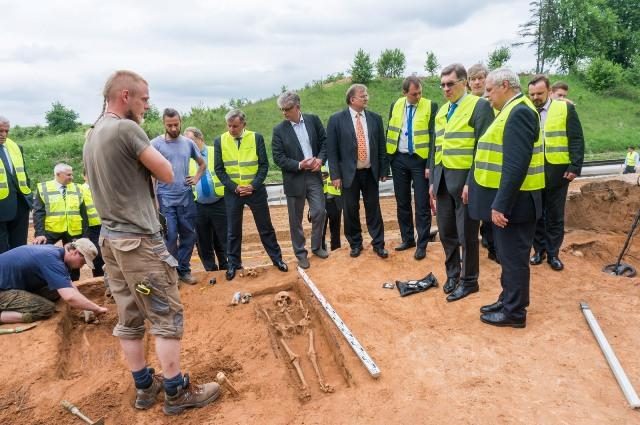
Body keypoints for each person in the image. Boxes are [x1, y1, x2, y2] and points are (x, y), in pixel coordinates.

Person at [84, 70, 220, 415]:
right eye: (144, 99)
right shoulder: (126, 129)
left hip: (111, 242)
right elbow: (167, 172)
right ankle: (176, 392)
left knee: (129, 317)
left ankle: (145, 387)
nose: (147, 106)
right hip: (139, 242)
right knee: (165, 316)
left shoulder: (92, 133)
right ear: (125, 95)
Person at [468, 68, 544, 328]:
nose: (486, 95)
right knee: (508, 257)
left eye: (489, 89)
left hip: (517, 205)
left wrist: (500, 205)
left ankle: (514, 313)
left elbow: (516, 165)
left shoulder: (519, 112)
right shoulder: (510, 111)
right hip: (514, 202)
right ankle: (507, 299)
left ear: (504, 86)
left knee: (514, 259)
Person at [430, 64, 494, 302]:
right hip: (443, 182)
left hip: (466, 183)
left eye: (450, 84)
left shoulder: (479, 107)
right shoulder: (442, 112)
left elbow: (483, 147)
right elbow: (435, 147)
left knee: (467, 234)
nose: (445, 88)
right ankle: (452, 274)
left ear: (464, 83)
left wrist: (472, 182)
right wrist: (433, 181)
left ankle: (469, 281)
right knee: (446, 232)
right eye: (443, 84)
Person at [214, 109, 288, 280]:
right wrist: (235, 187)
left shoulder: (256, 138)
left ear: (244, 125)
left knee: (265, 228)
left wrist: (253, 186)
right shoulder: (220, 141)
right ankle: (233, 264)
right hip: (234, 193)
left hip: (255, 191)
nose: (232, 129)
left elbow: (263, 165)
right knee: (233, 231)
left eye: (235, 126)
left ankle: (277, 259)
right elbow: (219, 169)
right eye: (229, 126)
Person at [528, 74, 585, 271]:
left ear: (549, 91)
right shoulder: (526, 111)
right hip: (534, 171)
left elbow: (576, 138)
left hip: (558, 171)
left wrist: (575, 166)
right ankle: (538, 251)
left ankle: (553, 254)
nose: (536, 97)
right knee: (536, 214)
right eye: (532, 94)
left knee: (555, 215)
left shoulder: (565, 108)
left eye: (540, 93)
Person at [327, 84, 389, 259]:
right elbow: (332, 151)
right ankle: (355, 244)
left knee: (374, 209)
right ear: (352, 99)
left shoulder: (375, 118)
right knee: (350, 210)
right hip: (348, 174)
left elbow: (381, 146)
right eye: (363, 95)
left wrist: (383, 169)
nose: (366, 97)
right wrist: (335, 175)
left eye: (366, 95)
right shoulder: (336, 120)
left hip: (370, 172)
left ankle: (378, 244)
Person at [272, 91, 327, 269]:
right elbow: (278, 157)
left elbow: (325, 142)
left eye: (287, 109)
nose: (284, 113)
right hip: (294, 178)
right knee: (295, 220)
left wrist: (320, 159)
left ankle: (317, 247)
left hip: (314, 176)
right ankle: (301, 254)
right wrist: (298, 165)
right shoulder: (279, 130)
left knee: (319, 211)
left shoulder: (313, 120)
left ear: (297, 107)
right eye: (282, 109)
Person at [151, 109, 206, 285]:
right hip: (165, 198)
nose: (173, 128)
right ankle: (171, 273)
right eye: (169, 125)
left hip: (185, 197)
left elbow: (202, 164)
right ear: (163, 124)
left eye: (176, 124)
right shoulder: (155, 145)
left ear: (180, 122)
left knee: (189, 235)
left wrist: (196, 177)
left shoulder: (188, 143)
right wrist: (154, 201)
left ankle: (184, 270)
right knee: (170, 236)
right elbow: (150, 174)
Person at [386, 76, 436, 260]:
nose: (418, 96)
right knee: (402, 202)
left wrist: (430, 164)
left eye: (420, 92)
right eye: (414, 94)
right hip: (399, 159)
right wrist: (390, 159)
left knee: (422, 204)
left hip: (419, 160)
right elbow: (390, 130)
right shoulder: (396, 105)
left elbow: (433, 138)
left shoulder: (431, 106)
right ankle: (407, 239)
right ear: (405, 93)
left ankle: (422, 243)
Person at [0, 239, 107, 324]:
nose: (82, 265)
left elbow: (69, 285)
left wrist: (86, 308)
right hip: (3, 290)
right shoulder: (53, 261)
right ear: (75, 252)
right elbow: (70, 297)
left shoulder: (57, 252)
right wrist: (96, 308)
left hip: (9, 283)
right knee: (45, 308)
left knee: (55, 291)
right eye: (83, 261)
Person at [33, 163, 87, 281]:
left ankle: (74, 282)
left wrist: (85, 235)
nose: (71, 177)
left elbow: (83, 213)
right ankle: (44, 281)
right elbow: (38, 212)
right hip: (51, 229)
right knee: (42, 253)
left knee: (75, 256)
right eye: (68, 175)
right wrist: (39, 233)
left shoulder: (77, 188)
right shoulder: (44, 188)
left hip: (73, 229)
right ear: (58, 174)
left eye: (71, 174)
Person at [184, 127, 228, 272]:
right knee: (202, 241)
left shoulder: (215, 151)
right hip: (198, 205)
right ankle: (210, 270)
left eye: (190, 140)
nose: (187, 144)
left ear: (200, 138)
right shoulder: (186, 157)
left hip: (220, 202)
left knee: (223, 238)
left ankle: (227, 266)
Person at [467, 64, 498, 262]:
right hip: (469, 164)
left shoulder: (495, 103)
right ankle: (474, 246)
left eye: (481, 78)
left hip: (491, 165)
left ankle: (493, 246)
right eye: (473, 79)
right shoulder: (464, 105)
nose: (477, 82)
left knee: (491, 209)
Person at [0, 116, 32, 254]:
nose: (4, 135)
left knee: (19, 250)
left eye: (7, 131)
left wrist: (28, 196)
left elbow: (22, 173)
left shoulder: (15, 147)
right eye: (0, 131)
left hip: (20, 205)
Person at [80, 170, 105, 277]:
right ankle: (98, 278)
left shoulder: (103, 187)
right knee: (96, 253)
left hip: (105, 225)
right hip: (92, 227)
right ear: (83, 176)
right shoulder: (80, 189)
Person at [321, 161, 342, 252]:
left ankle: (336, 248)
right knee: (321, 229)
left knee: (336, 228)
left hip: (335, 199)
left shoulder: (338, 161)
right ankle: (321, 248)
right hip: (322, 201)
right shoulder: (319, 160)